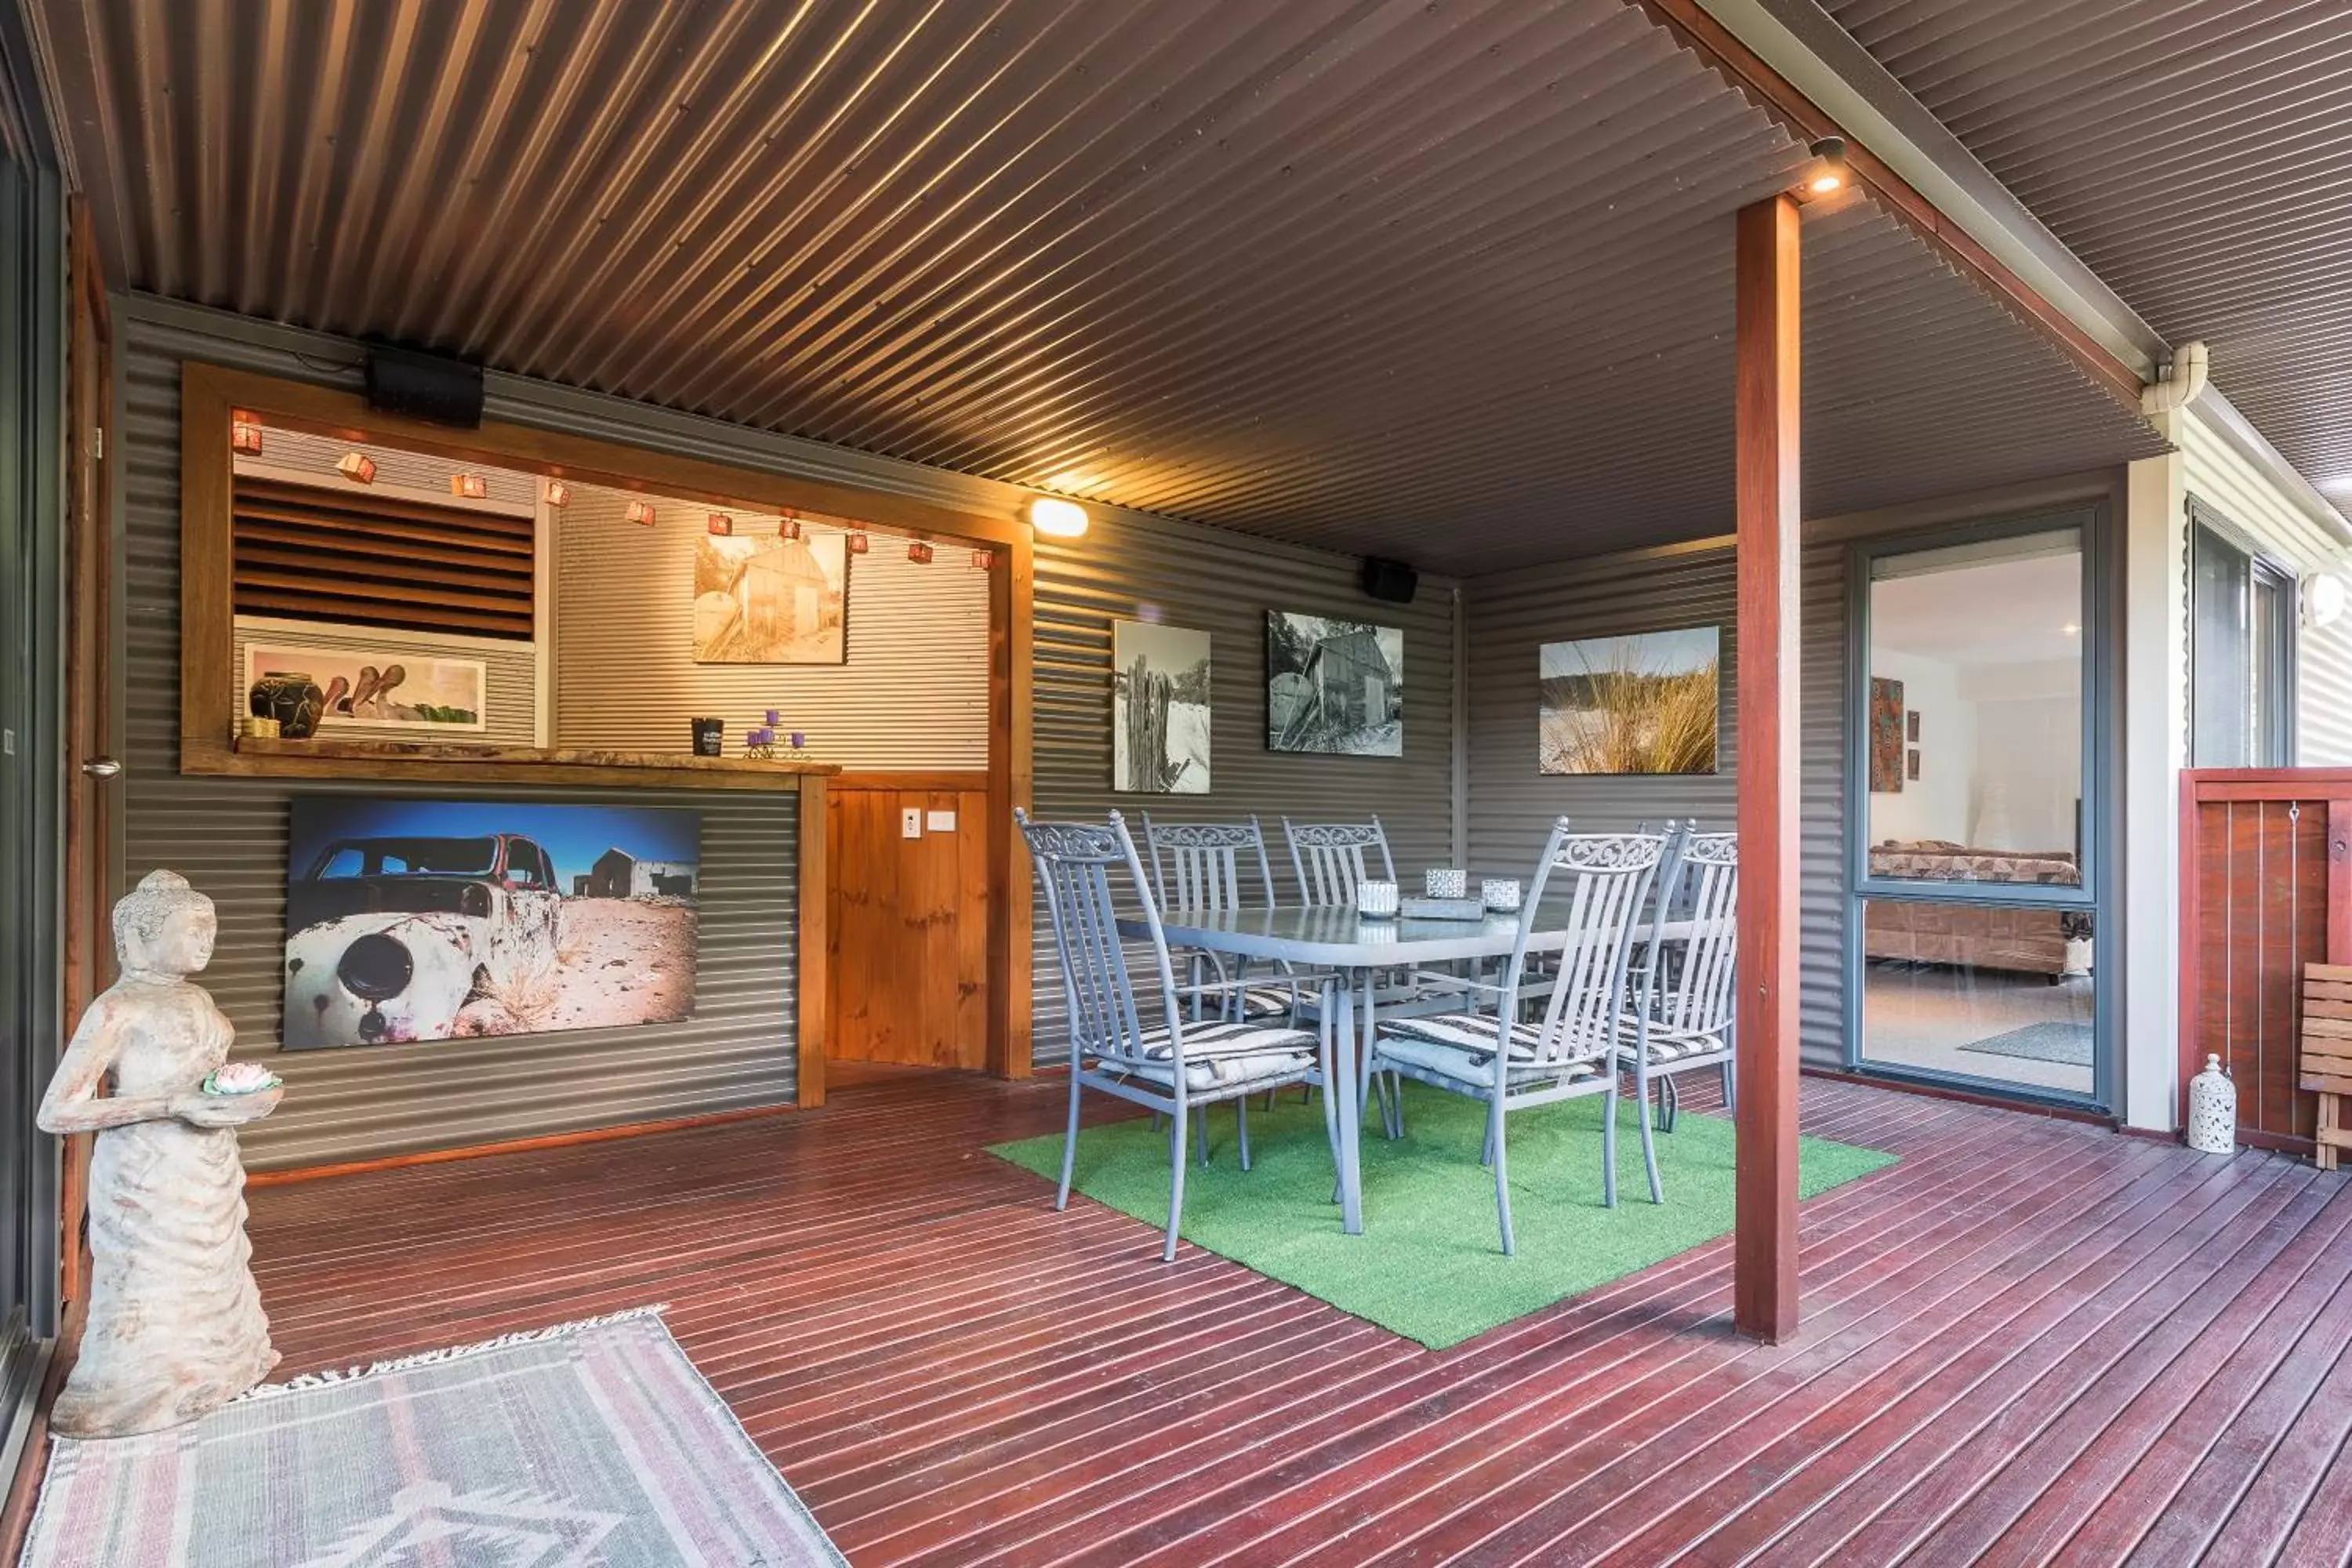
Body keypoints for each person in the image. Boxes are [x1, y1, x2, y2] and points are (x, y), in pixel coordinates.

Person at [37, 869, 281, 1437]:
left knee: (213, 1273)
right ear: (138, 939)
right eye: (192, 927)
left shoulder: (197, 996)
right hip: (146, 1170)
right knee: (147, 1281)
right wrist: (171, 1103)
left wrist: (242, 1093)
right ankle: (125, 1397)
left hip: (208, 1163)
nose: (206, 939)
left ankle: (215, 1369)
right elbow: (58, 1112)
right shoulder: (116, 1010)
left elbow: (203, 1080)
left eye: (211, 928)